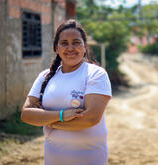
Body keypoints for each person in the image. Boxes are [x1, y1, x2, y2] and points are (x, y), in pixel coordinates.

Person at [21, 19, 112, 165]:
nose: (70, 48)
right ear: (56, 48)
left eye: (76, 42)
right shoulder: (45, 77)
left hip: (90, 159)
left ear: (84, 46)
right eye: (64, 43)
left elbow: (90, 119)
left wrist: (48, 121)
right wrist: (62, 115)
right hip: (53, 159)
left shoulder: (96, 74)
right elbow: (26, 115)